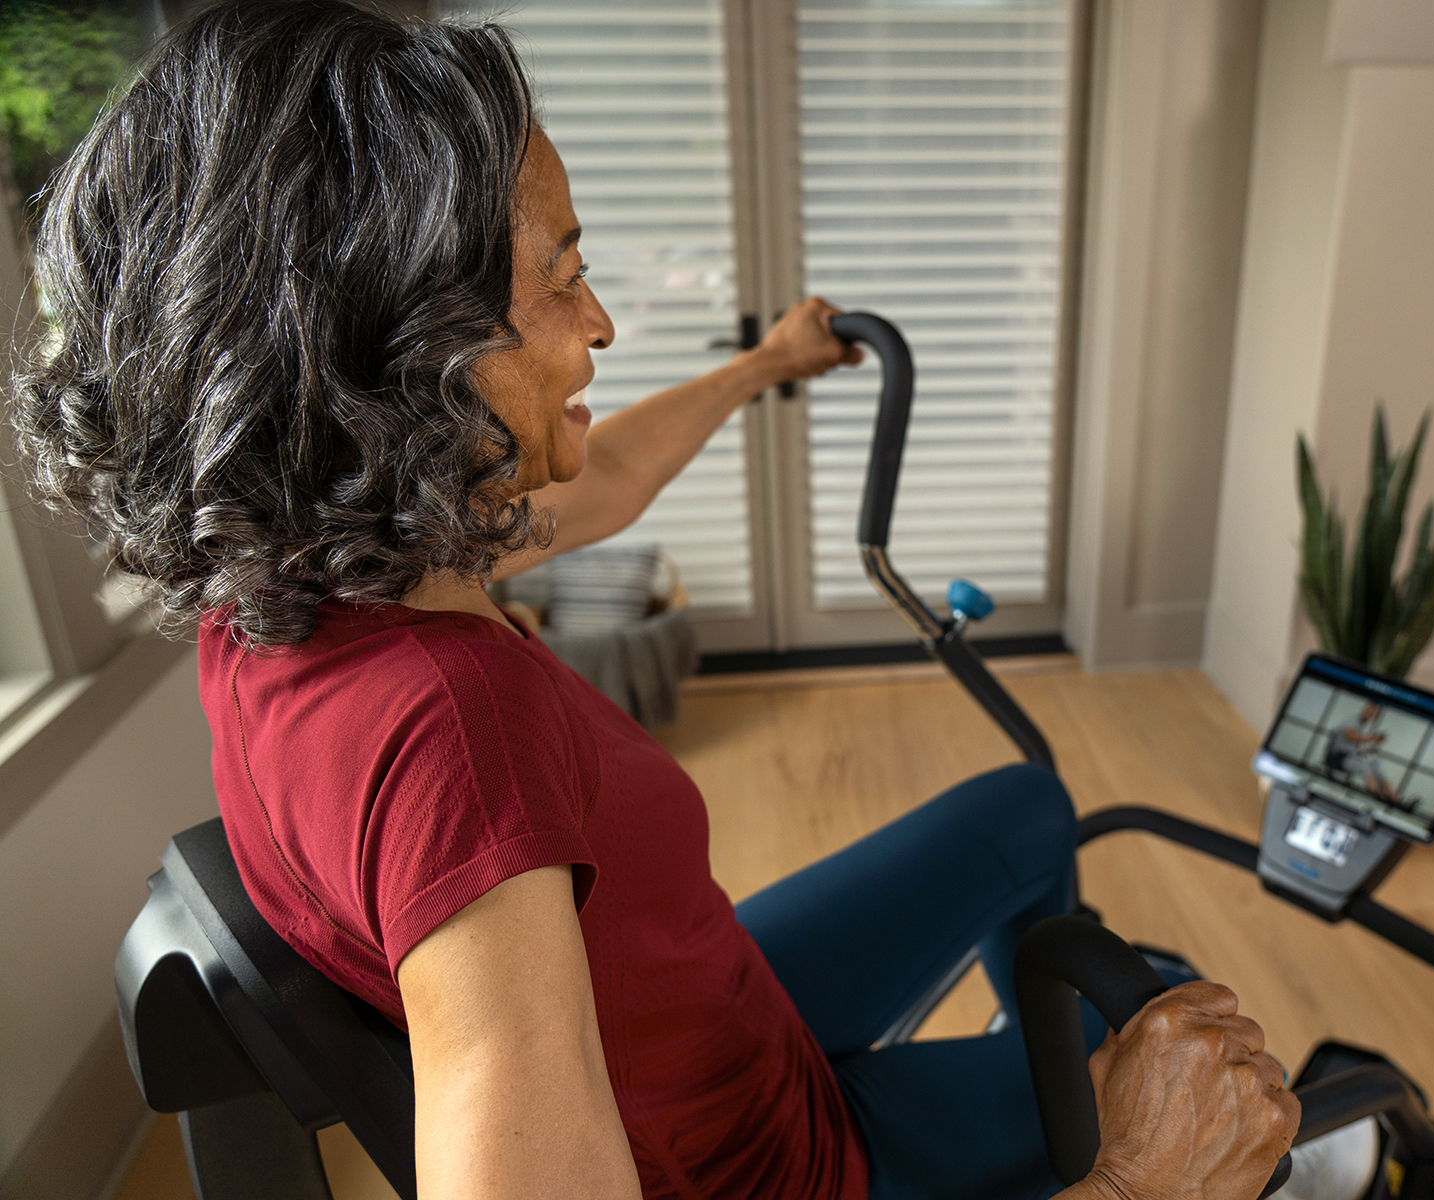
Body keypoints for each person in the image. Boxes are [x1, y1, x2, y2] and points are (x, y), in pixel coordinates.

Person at [10, 4, 1299, 1199]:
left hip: (715, 1010)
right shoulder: (457, 729)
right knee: (1184, 1024)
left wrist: (766, 364)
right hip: (778, 1160)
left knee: (1026, 809)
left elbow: (610, 473)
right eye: (559, 276)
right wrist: (1133, 1176)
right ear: (395, 339)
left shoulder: (312, 567)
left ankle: (1036, 1080)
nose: (604, 322)